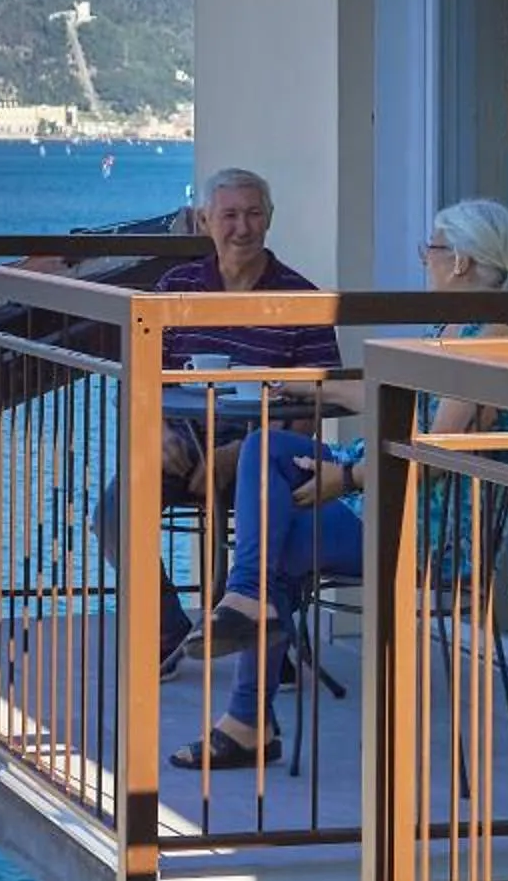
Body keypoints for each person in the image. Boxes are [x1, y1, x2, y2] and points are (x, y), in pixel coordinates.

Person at [170, 197, 508, 770]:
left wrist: (349, 477)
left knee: (278, 546)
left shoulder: (487, 337)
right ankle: (248, 610)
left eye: (431, 250)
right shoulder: (462, 326)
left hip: (422, 520)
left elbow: (434, 454)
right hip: (392, 491)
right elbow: (392, 397)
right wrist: (308, 389)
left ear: (461, 262)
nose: (426, 261)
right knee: (268, 450)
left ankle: (246, 702)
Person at [96, 167, 342, 677]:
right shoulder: (176, 288)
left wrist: (243, 458)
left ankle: (263, 639)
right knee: (115, 512)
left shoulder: (301, 297)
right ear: (206, 221)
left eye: (253, 214)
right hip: (183, 445)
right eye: (229, 215)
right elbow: (137, 377)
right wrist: (155, 431)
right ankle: (167, 628)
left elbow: (318, 403)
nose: (242, 227)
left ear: (270, 219)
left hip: (266, 455)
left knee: (274, 523)